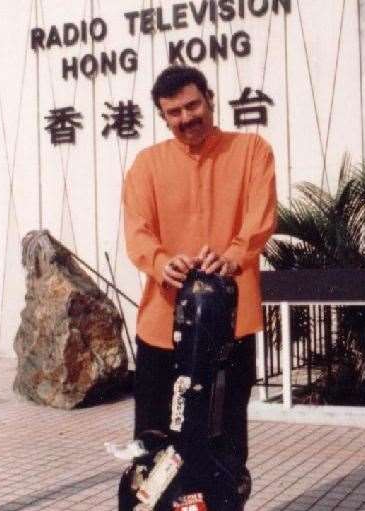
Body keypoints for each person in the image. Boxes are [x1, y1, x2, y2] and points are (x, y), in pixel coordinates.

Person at [123, 64, 277, 492]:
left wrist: (233, 254)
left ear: (209, 99)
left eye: (193, 105)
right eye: (174, 112)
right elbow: (137, 230)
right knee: (152, 444)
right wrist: (159, 261)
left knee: (225, 440)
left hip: (229, 326)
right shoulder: (147, 165)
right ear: (163, 116)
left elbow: (260, 217)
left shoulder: (251, 151)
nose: (186, 117)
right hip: (161, 328)